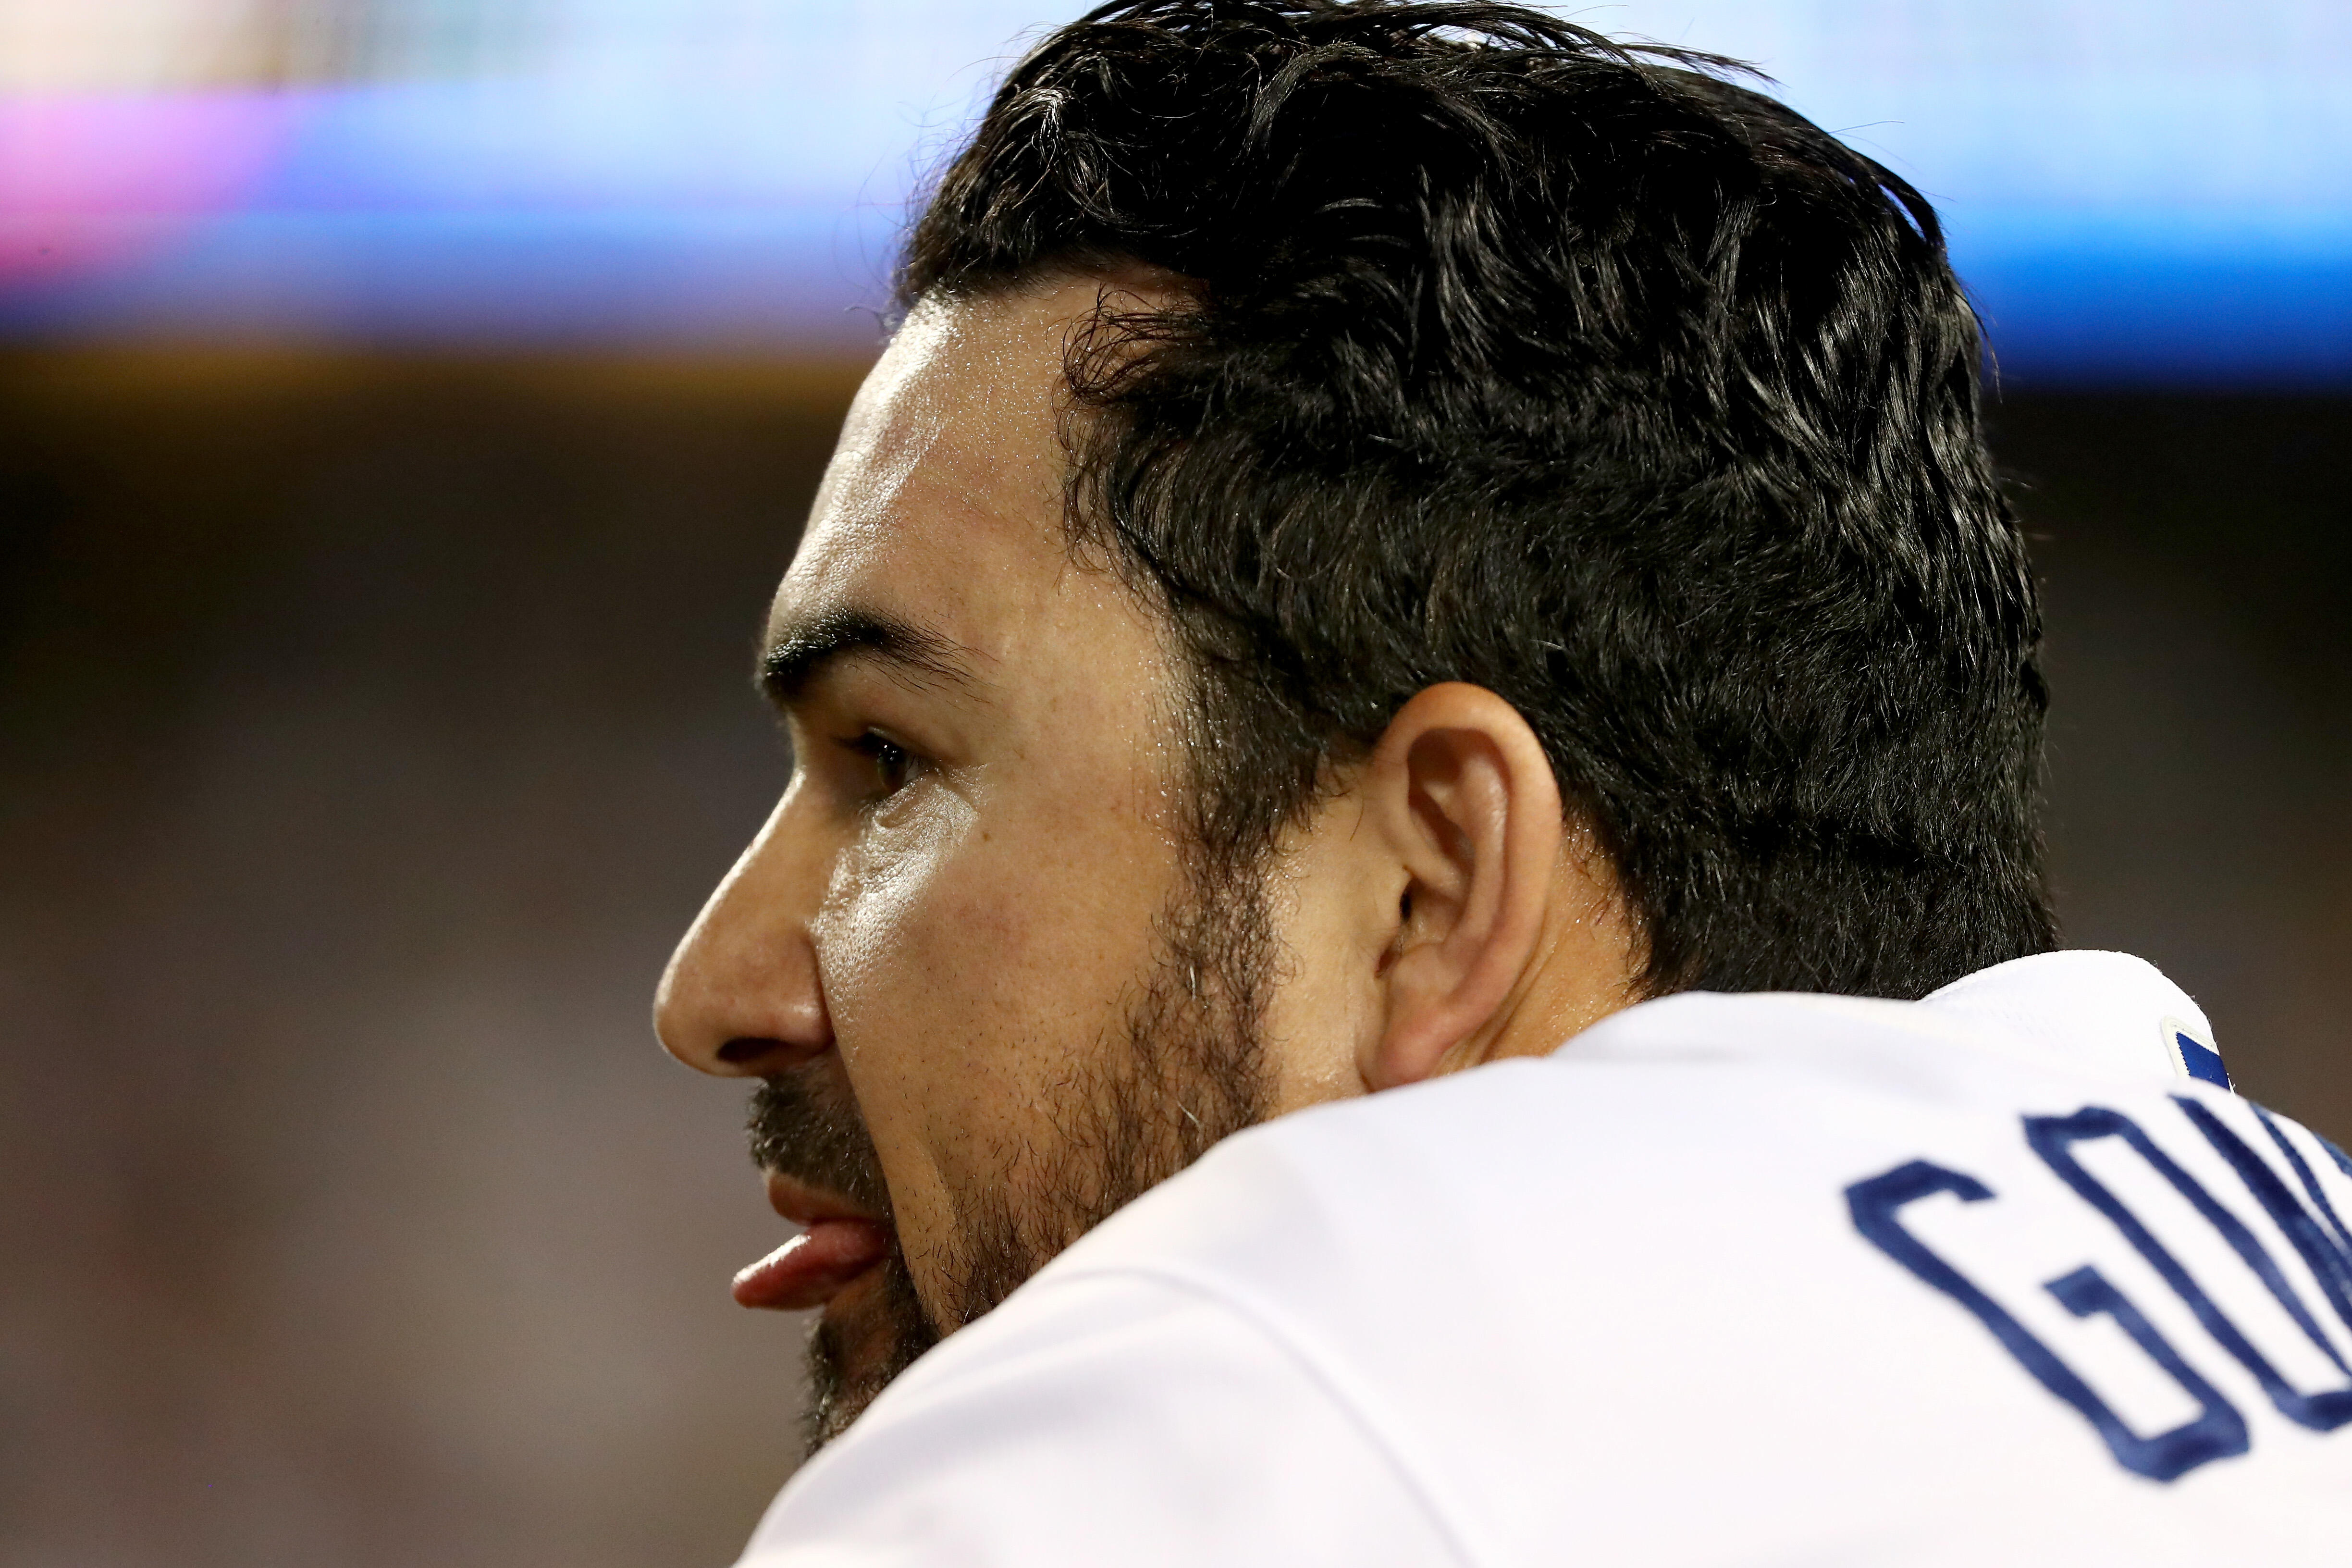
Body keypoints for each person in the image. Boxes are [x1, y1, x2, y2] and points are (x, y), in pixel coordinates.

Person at [653, 2, 2352, 1560]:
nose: (712, 991)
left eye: (891, 762)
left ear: (1433, 887)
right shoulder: (2288, 1257)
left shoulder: (1221, 1411)